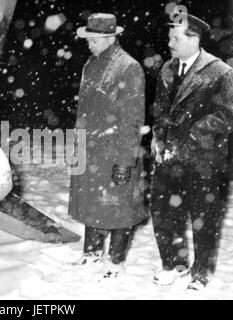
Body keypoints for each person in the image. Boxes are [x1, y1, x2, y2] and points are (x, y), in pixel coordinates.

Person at [150, 12, 233, 290]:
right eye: (170, 36)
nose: (169, 41)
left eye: (176, 37)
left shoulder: (220, 71)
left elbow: (227, 114)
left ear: (194, 39)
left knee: (203, 219)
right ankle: (175, 263)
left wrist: (196, 131)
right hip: (168, 157)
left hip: (203, 161)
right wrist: (157, 136)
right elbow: (160, 110)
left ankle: (201, 273)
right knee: (164, 214)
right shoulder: (167, 69)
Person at [69, 13, 147, 279]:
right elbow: (84, 110)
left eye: (95, 38)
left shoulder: (129, 67)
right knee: (92, 200)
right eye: (88, 37)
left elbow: (132, 119)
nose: (89, 42)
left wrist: (125, 160)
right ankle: (91, 253)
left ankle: (115, 261)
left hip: (115, 148)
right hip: (91, 148)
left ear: (111, 38)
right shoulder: (90, 64)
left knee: (119, 205)